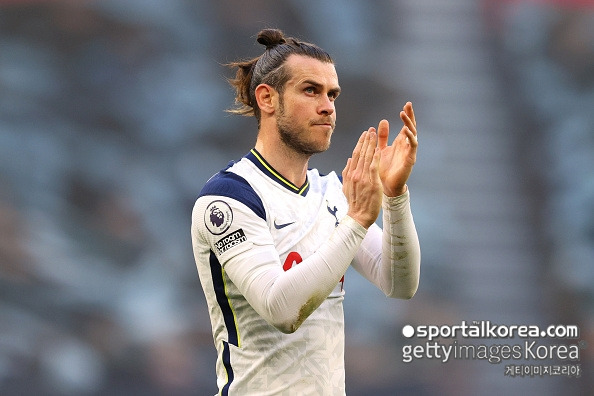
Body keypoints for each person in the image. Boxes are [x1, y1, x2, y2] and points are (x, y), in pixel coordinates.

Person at [191, 28, 420, 395]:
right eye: (310, 90)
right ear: (267, 98)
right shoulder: (228, 198)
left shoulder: (332, 193)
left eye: (333, 94)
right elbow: (281, 309)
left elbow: (400, 283)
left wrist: (394, 197)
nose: (327, 105)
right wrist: (358, 220)